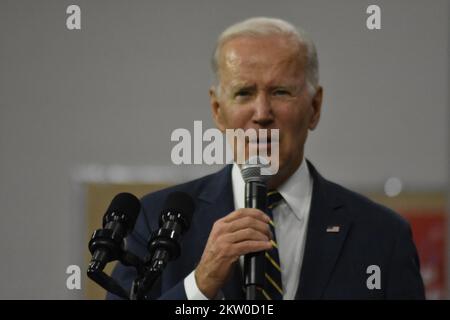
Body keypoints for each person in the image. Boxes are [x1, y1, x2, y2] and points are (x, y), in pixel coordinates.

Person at [108, 17, 425, 300]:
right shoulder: (152, 222)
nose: (261, 114)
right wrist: (199, 287)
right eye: (244, 92)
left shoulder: (382, 235)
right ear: (218, 110)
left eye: (281, 92)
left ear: (315, 108)